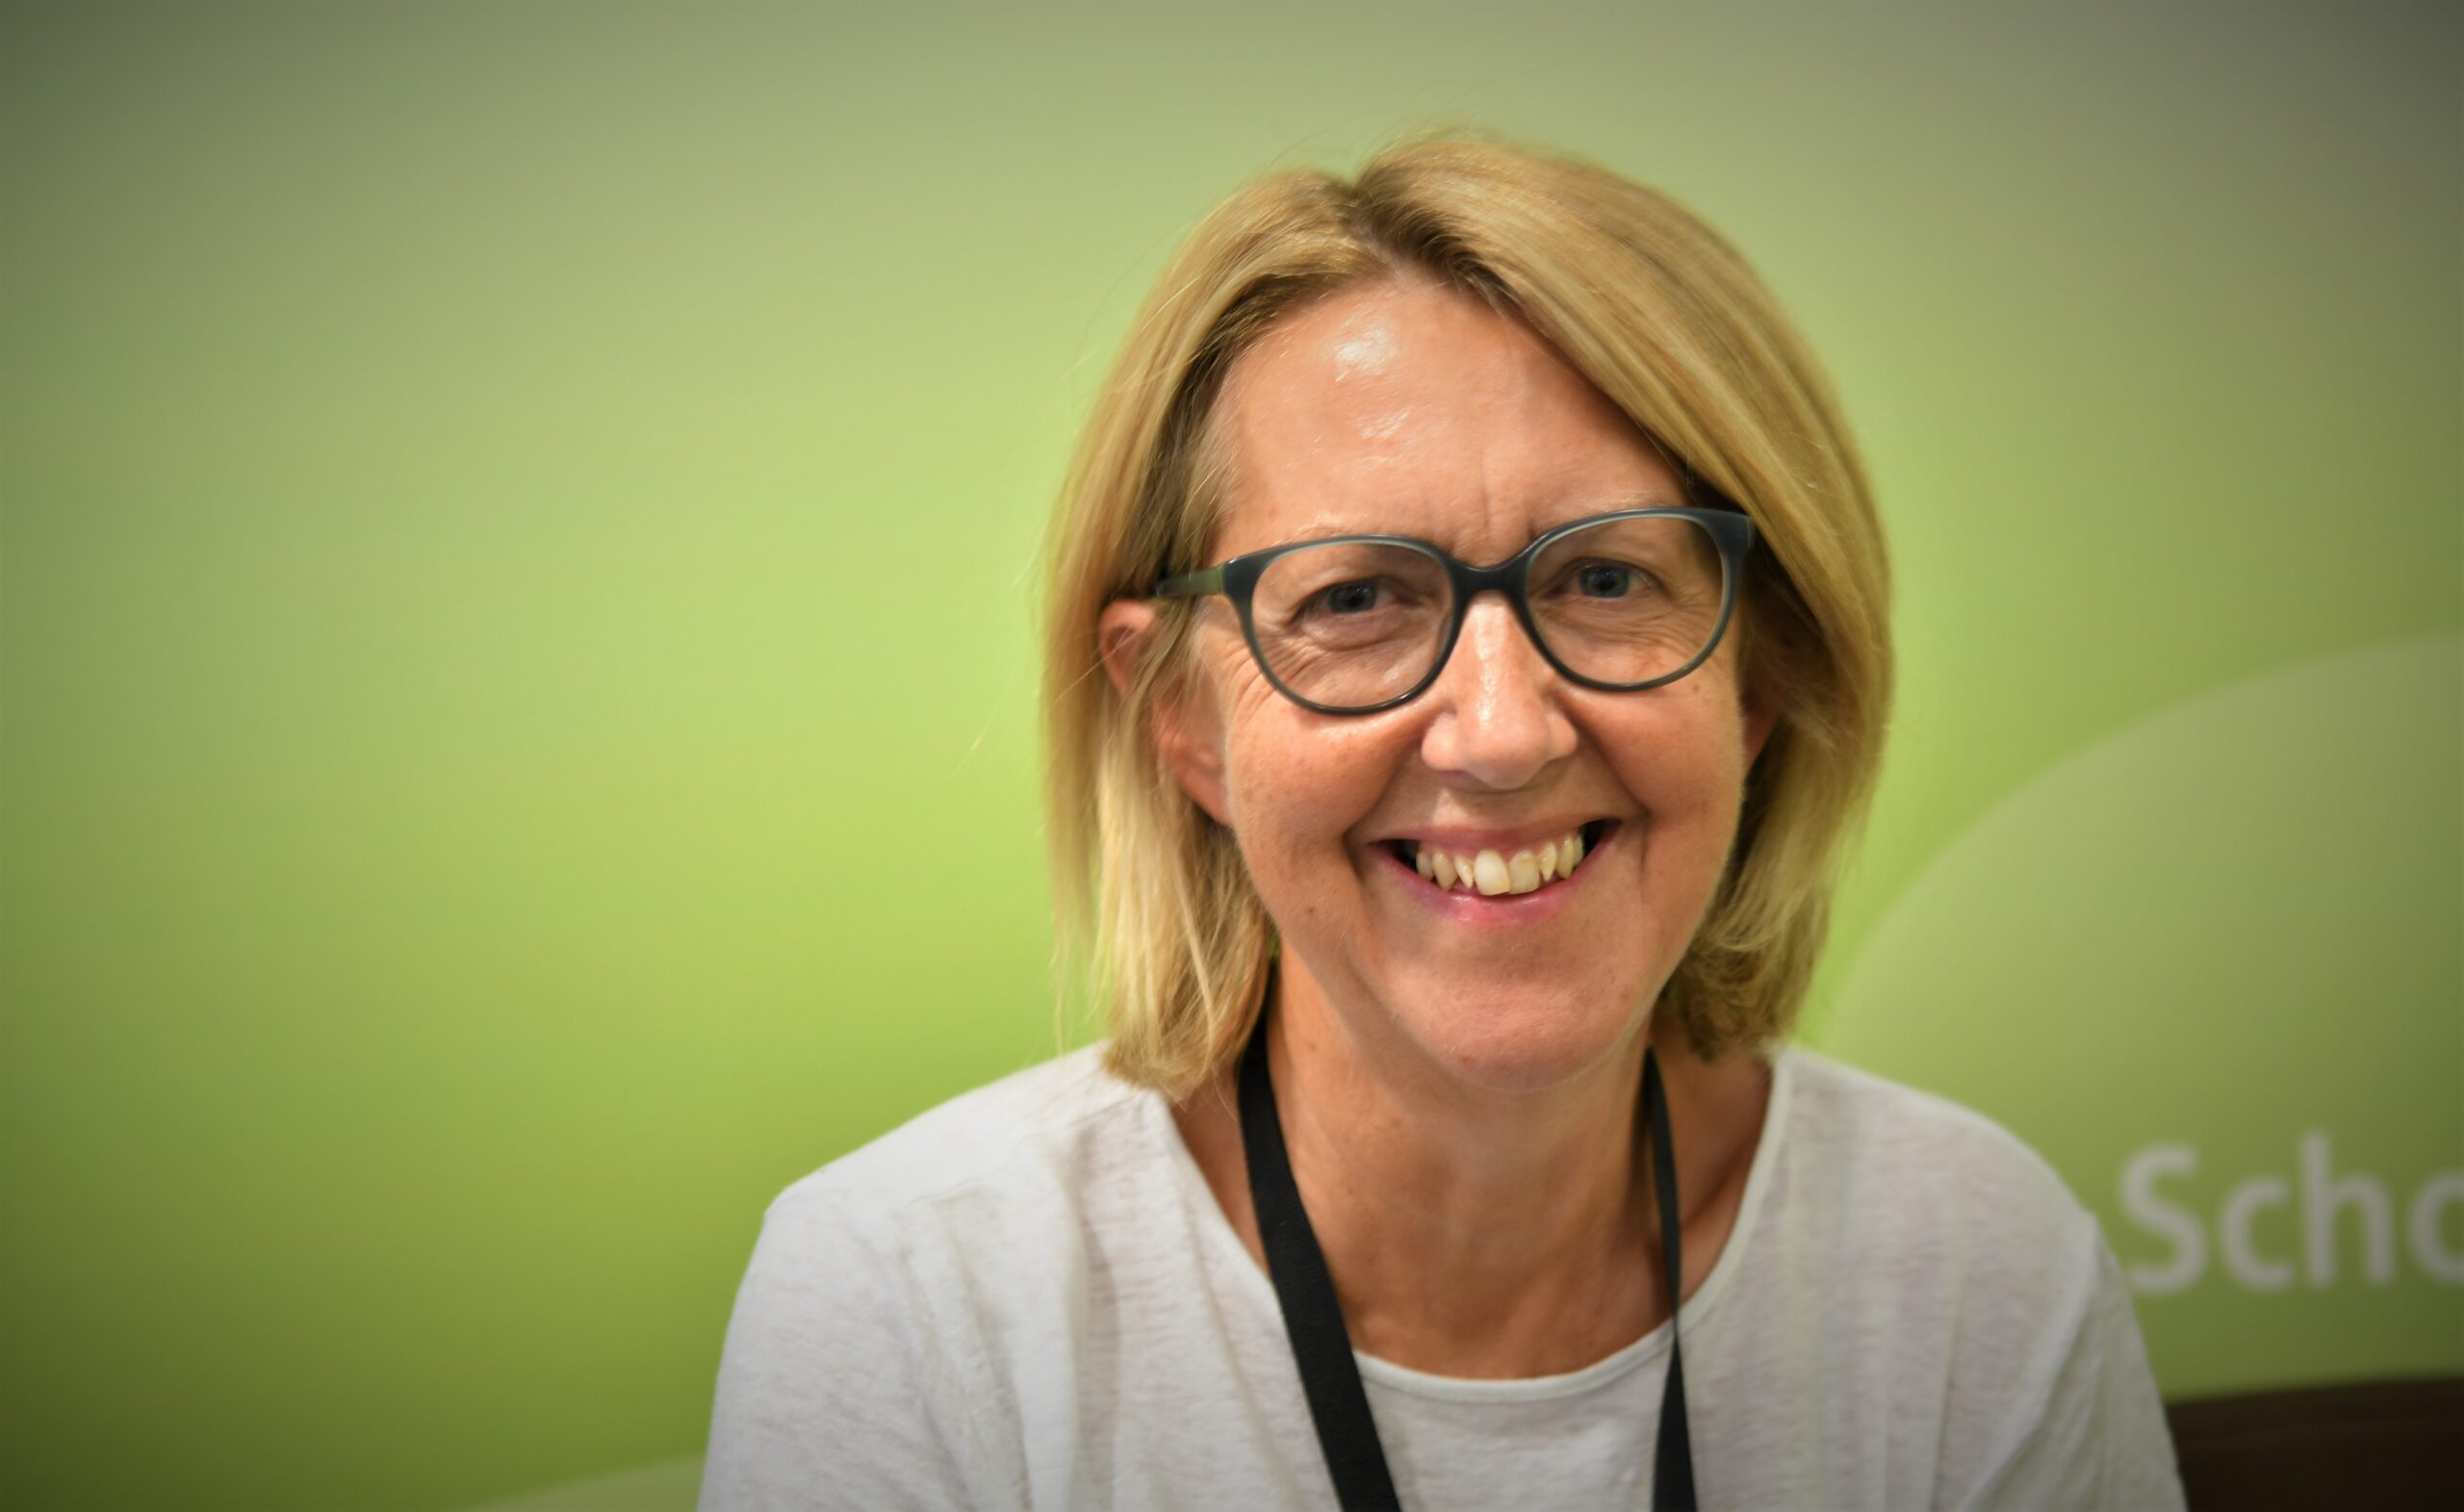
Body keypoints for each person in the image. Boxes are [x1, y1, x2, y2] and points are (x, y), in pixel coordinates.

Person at [698, 135, 2187, 1510]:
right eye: (1356, 600)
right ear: (1183, 719)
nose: (1502, 732)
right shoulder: (914, 1306)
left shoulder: (1976, 1276)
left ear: (1758, 683)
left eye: (1605, 579)